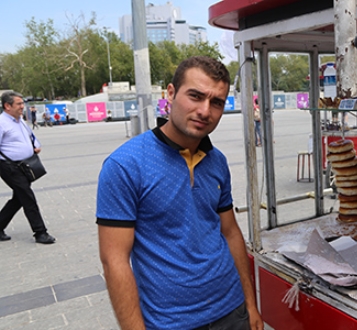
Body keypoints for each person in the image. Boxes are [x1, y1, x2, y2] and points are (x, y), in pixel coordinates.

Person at [96, 56, 264, 330]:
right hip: (170, 321)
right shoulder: (125, 165)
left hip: (232, 310)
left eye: (216, 102)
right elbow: (114, 260)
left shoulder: (216, 161)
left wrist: (250, 303)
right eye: (195, 96)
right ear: (170, 93)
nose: (205, 111)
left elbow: (230, 232)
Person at [0, 92, 56, 244]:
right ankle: (40, 232)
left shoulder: (20, 121)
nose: (22, 106)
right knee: (27, 197)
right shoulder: (1, 122)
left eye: (22, 103)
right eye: (18, 104)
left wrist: (35, 146)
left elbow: (31, 137)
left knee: (19, 198)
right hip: (9, 166)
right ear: (7, 106)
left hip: (25, 165)